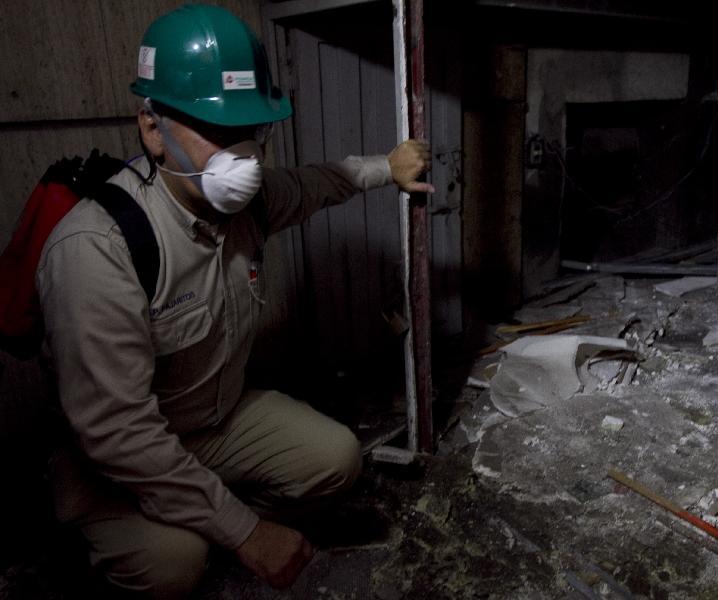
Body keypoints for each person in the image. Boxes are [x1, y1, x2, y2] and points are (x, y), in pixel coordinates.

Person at [36, 4, 432, 598]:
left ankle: (201, 509)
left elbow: (318, 183)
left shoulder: (246, 202)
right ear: (152, 130)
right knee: (175, 562)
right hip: (116, 456)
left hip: (210, 421)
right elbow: (117, 431)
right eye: (218, 133)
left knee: (336, 458)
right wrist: (246, 532)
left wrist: (388, 167)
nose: (242, 158)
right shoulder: (99, 247)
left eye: (253, 131)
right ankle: (131, 534)